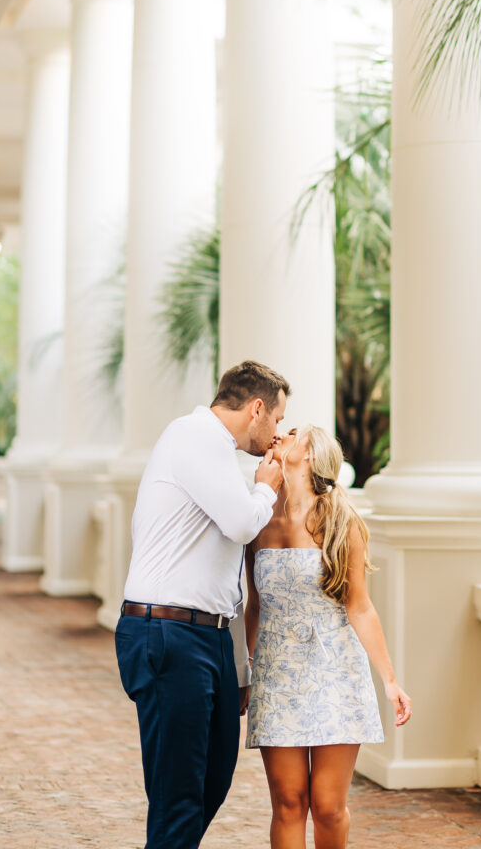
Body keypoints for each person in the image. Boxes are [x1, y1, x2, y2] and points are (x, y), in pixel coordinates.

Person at [114, 360, 290, 849]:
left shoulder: (218, 455)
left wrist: (237, 667)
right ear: (257, 408)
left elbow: (225, 577)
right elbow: (241, 524)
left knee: (212, 779)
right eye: (276, 419)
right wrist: (267, 486)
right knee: (179, 796)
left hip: (206, 637)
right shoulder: (193, 436)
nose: (275, 431)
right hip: (167, 633)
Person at [245, 424, 412, 849]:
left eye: (295, 433)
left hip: (336, 673)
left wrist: (390, 680)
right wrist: (245, 672)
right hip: (276, 675)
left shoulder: (341, 520)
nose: (282, 433)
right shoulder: (259, 517)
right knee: (287, 801)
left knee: (327, 806)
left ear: (312, 455)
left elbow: (359, 605)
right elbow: (255, 605)